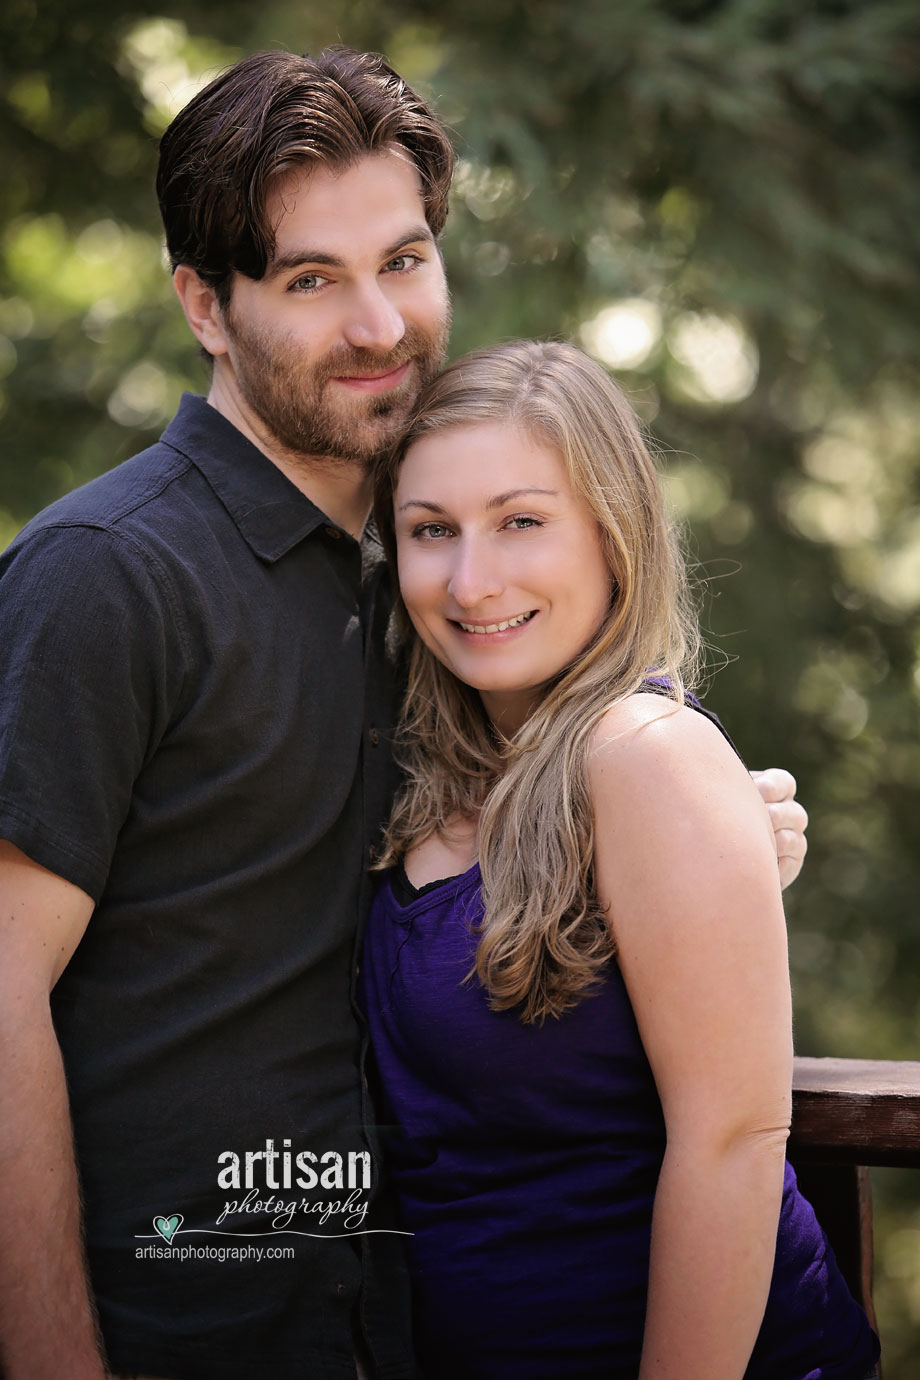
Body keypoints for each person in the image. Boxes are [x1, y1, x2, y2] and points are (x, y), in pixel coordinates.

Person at [0, 47, 806, 1380]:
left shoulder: (434, 582)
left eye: (406, 259)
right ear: (205, 304)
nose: (380, 323)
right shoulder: (110, 573)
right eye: (313, 279)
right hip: (174, 1332)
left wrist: (717, 844)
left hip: (393, 1331)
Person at [360, 339, 880, 1380]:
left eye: (519, 521)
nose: (471, 578)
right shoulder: (419, 776)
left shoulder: (645, 756)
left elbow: (731, 1142)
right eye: (431, 531)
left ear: (611, 535)